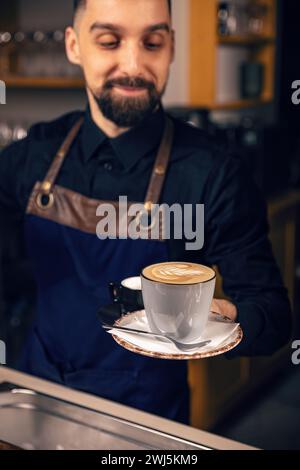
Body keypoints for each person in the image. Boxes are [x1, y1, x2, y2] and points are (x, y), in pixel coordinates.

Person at [0, 0, 292, 424]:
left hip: (146, 418)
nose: (133, 64)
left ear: (171, 47)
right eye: (109, 41)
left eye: (152, 42)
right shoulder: (33, 156)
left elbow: (274, 318)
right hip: (36, 397)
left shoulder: (213, 174)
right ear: (73, 45)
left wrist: (222, 320)